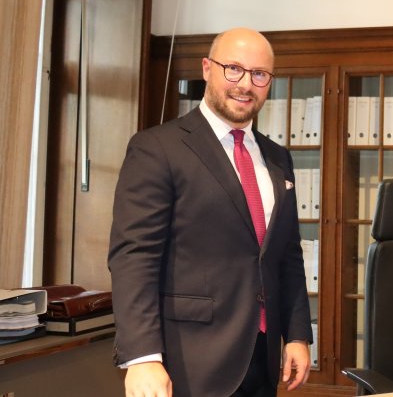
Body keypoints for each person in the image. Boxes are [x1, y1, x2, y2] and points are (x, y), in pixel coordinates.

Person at [108, 27, 312, 397]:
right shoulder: (157, 148)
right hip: (188, 360)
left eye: (259, 74)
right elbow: (134, 257)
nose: (245, 84)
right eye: (233, 68)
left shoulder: (277, 158)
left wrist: (297, 334)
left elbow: (287, 255)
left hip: (262, 359)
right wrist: (141, 356)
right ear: (207, 68)